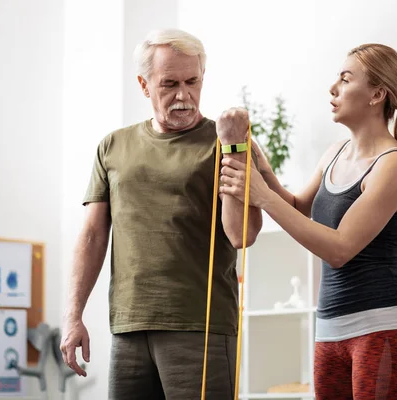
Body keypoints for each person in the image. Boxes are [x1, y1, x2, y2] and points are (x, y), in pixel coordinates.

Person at [59, 28, 263, 399]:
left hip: (200, 326)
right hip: (128, 326)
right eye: (169, 83)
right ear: (144, 85)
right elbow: (91, 236)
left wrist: (235, 146)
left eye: (193, 81)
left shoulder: (227, 140)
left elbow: (243, 235)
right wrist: (73, 316)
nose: (183, 95)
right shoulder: (113, 146)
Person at [219, 43, 397, 399]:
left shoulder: (394, 164)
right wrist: (261, 166)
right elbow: (298, 209)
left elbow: (340, 248)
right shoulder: (335, 153)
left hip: (381, 328)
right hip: (329, 329)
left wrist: (263, 196)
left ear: (377, 94)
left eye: (345, 79)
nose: (333, 89)